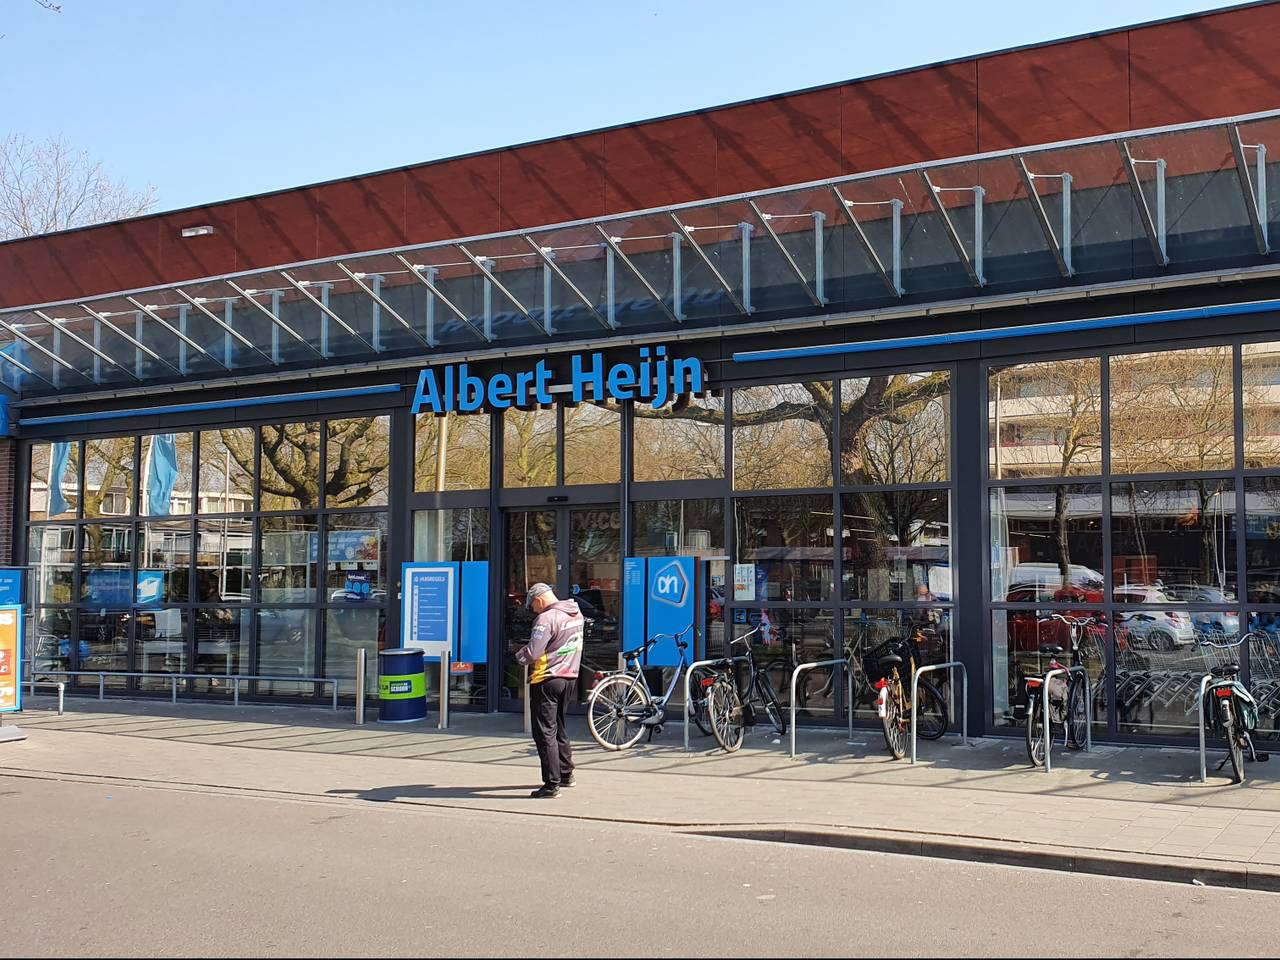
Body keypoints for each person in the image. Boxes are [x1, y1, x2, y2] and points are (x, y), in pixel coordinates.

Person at [514, 582, 584, 799]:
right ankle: (566, 773)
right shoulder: (575, 613)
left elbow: (533, 653)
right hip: (569, 677)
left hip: (546, 679)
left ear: (539, 599)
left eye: (532, 605)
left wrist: (518, 656)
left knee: (544, 732)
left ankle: (551, 784)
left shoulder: (546, 619)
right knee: (559, 727)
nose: (533, 610)